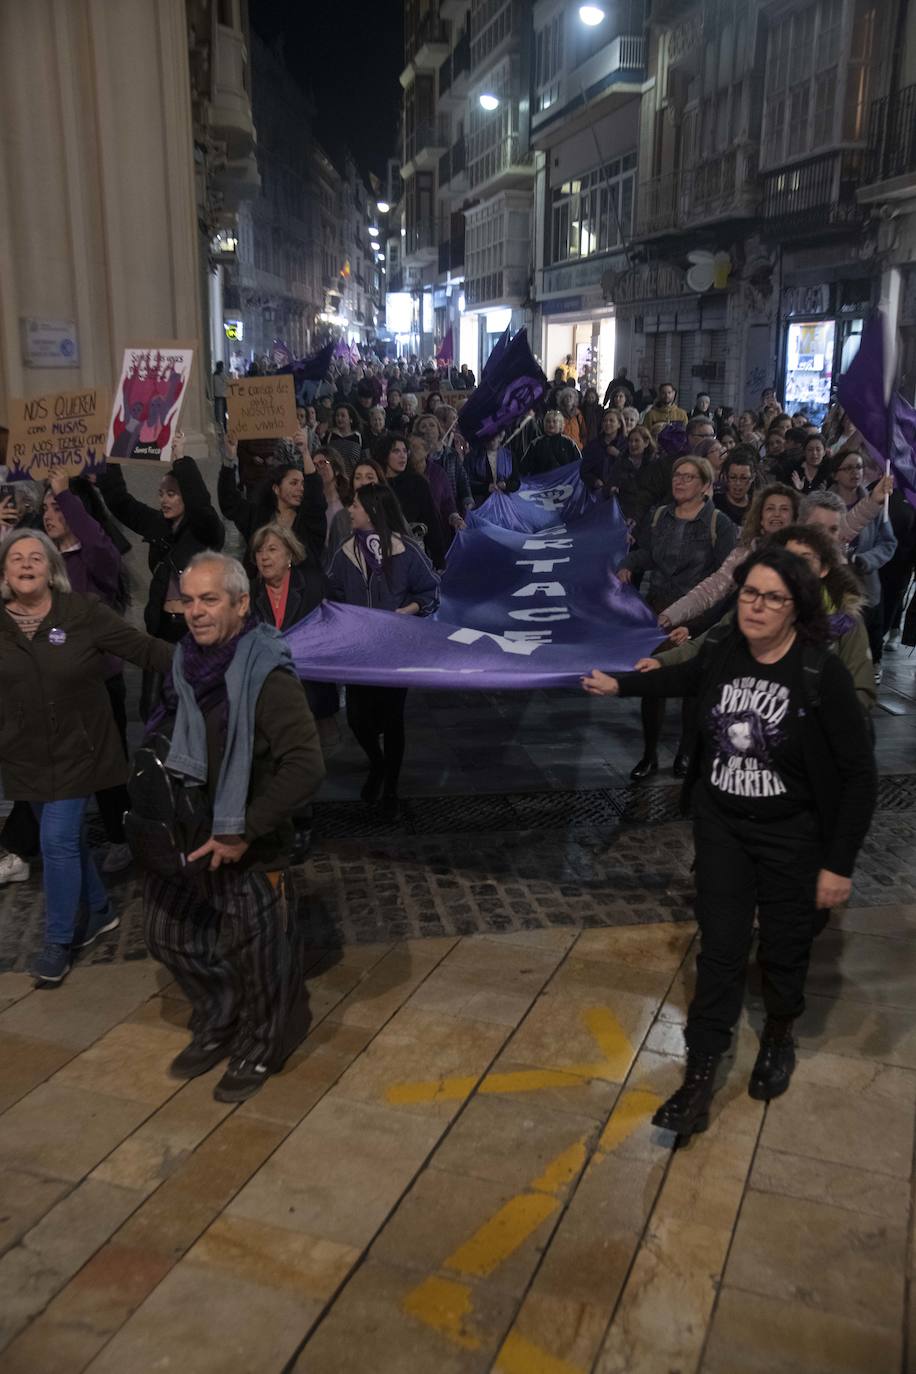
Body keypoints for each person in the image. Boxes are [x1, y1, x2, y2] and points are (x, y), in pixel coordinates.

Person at [582, 547, 877, 1136]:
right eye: (748, 594)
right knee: (719, 950)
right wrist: (618, 685)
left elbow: (859, 775)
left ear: (795, 607)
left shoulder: (820, 673)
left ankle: (779, 1032)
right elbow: (678, 676)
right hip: (723, 827)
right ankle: (698, 1076)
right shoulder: (722, 652)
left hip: (793, 834)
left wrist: (837, 864)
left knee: (785, 947)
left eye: (772, 597)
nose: (756, 607)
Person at [139, 552, 325, 1103]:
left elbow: (306, 766)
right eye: (189, 600)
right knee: (166, 935)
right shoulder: (183, 665)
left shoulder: (265, 673)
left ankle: (265, 1041)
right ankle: (220, 1012)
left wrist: (243, 828)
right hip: (187, 831)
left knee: (258, 951)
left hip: (246, 836)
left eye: (210, 599)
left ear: (242, 604)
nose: (195, 612)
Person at [0, 530, 174, 983]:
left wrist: (211, 659)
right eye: (15, 556)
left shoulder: (81, 612)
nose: (25, 563)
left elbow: (143, 648)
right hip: (25, 755)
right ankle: (97, 910)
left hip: (80, 749)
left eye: (35, 556)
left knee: (56, 841)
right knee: (69, 841)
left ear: (51, 567)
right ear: (4, 571)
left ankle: (58, 941)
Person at [618, 456, 737, 778]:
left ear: (705, 486)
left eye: (688, 477)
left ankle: (685, 752)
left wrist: (697, 623)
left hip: (698, 614)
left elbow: (726, 579)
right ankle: (649, 754)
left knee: (691, 685)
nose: (679, 481)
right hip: (659, 611)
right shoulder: (660, 516)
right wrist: (629, 563)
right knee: (652, 682)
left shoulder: (719, 524)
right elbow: (649, 553)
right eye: (677, 475)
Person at [326, 485, 439, 816]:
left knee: (392, 720)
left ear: (374, 511)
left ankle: (390, 789)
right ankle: (376, 763)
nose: (351, 511)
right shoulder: (344, 554)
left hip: (394, 651)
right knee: (359, 719)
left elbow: (431, 589)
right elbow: (332, 594)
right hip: (359, 652)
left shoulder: (405, 551)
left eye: (357, 506)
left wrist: (407, 611)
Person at [97, 432, 224, 719]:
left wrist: (181, 459)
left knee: (196, 706)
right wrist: (109, 458)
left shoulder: (205, 530)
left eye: (172, 493)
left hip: (196, 631)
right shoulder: (158, 524)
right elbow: (121, 503)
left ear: (185, 496)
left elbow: (201, 504)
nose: (164, 500)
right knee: (153, 708)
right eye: (161, 494)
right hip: (162, 629)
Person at [828, 453, 896, 677]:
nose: (854, 472)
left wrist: (865, 560)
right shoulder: (824, 504)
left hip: (865, 584)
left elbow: (888, 542)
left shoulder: (876, 502)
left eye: (858, 467)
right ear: (835, 474)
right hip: (832, 584)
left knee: (864, 636)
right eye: (847, 468)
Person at [378, 433, 446, 568]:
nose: (402, 455)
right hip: (381, 553)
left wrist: (439, 562)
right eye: (396, 451)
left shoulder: (418, 483)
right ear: (385, 454)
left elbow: (431, 520)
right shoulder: (376, 484)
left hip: (412, 553)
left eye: (405, 451)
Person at [466, 430, 520, 507]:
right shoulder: (472, 457)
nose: (492, 441)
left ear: (500, 437)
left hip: (505, 504)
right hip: (481, 504)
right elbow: (467, 484)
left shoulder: (509, 456)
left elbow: (516, 482)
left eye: (494, 437)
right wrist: (486, 488)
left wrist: (506, 485)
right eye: (489, 438)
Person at [524, 410, 583, 476]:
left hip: (564, 483)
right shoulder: (536, 443)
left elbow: (578, 466)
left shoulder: (569, 443)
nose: (551, 424)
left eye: (554, 421)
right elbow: (524, 467)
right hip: (541, 484)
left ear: (561, 424)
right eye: (548, 421)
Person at [714, 450, 756, 527]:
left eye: (743, 478)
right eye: (733, 477)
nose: (738, 483)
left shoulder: (757, 505)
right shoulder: (715, 503)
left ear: (752, 478)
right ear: (726, 477)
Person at [326, 404, 362, 473]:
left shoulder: (358, 437)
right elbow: (325, 457)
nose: (339, 418)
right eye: (337, 415)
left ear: (351, 419)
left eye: (343, 416)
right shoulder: (329, 436)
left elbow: (364, 458)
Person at [212, 361, 228, 430]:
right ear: (222, 367)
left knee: (218, 414)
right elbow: (228, 381)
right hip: (223, 396)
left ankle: (219, 428)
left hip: (216, 396)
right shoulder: (222, 375)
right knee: (224, 413)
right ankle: (224, 428)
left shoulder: (214, 375)